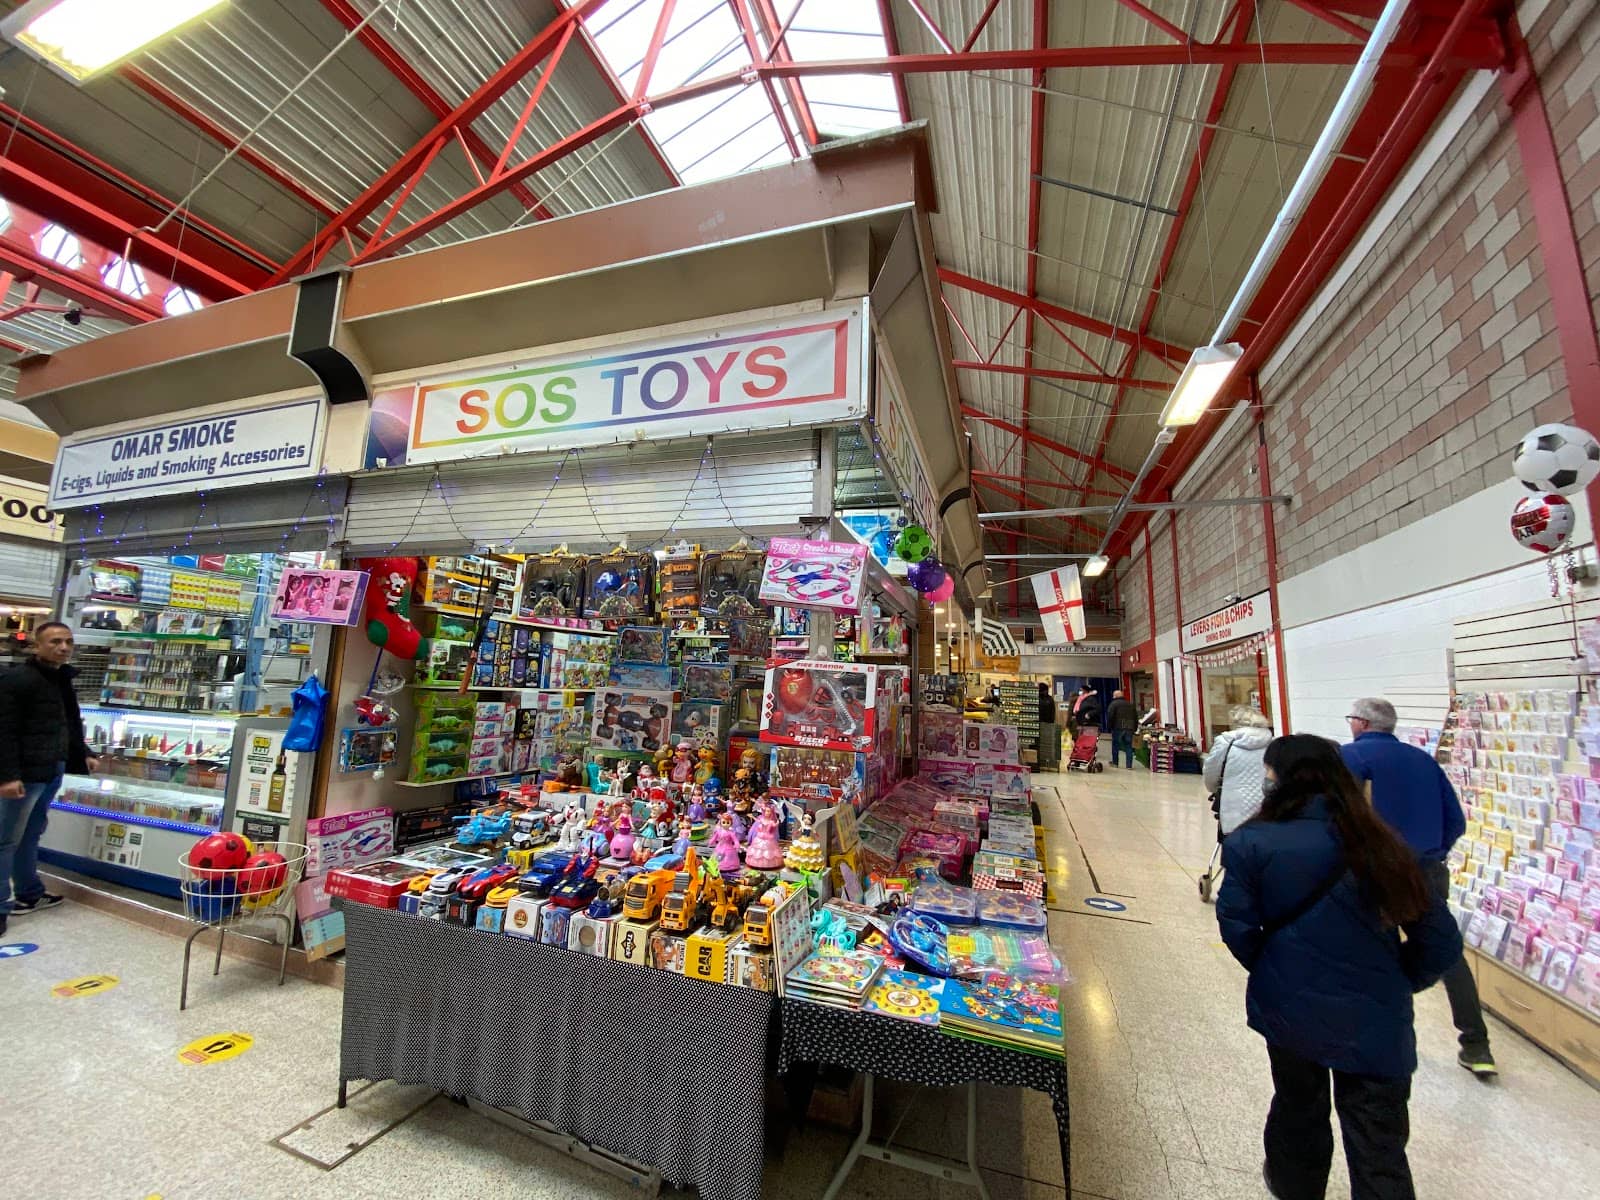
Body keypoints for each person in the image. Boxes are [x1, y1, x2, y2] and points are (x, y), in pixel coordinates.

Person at [1217, 735, 1462, 1200]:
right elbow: (1441, 941)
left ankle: (1294, 1188)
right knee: (1379, 1148)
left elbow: (1238, 926)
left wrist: (1275, 967)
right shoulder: (1385, 843)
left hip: (1290, 1008)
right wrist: (1397, 979)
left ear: (1280, 778)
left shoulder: (1253, 841)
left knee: (1297, 1111)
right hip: (1377, 1021)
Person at [1339, 696, 1493, 1078]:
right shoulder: (1424, 760)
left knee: (1372, 946)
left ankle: (1375, 1035)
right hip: (1425, 870)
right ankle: (1476, 1044)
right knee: (1446, 949)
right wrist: (1429, 854)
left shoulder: (1350, 758)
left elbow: (1339, 816)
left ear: (1361, 723)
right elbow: (1455, 821)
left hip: (1373, 872)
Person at [0, 622, 95, 936]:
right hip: (24, 775)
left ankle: (29, 893)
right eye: (55, 641)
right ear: (36, 644)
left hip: (51, 769)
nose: (63, 647)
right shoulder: (17, 680)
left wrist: (83, 753)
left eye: (68, 641)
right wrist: (7, 776)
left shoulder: (62, 679)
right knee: (5, 840)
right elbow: (4, 731)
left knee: (31, 833)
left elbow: (67, 723)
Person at [1203, 707, 1273, 833]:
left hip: (1233, 805)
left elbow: (1211, 772)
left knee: (1234, 839)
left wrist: (1213, 789)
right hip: (1266, 805)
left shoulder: (1225, 741)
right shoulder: (1272, 742)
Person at [1104, 689, 1139, 768]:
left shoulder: (1113, 704)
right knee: (1129, 746)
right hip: (1129, 727)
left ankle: (1115, 763)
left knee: (1115, 745)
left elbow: (1110, 716)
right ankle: (1129, 765)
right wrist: (1135, 727)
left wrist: (1109, 727)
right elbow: (1135, 717)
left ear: (1115, 696)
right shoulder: (1130, 704)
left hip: (1118, 727)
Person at [1036, 683, 1059, 770]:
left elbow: (1052, 711)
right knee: (1038, 744)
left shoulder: (1049, 699)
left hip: (1047, 725)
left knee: (1045, 744)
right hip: (1037, 724)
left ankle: (1045, 761)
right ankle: (1038, 761)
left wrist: (1051, 723)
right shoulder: (1037, 698)